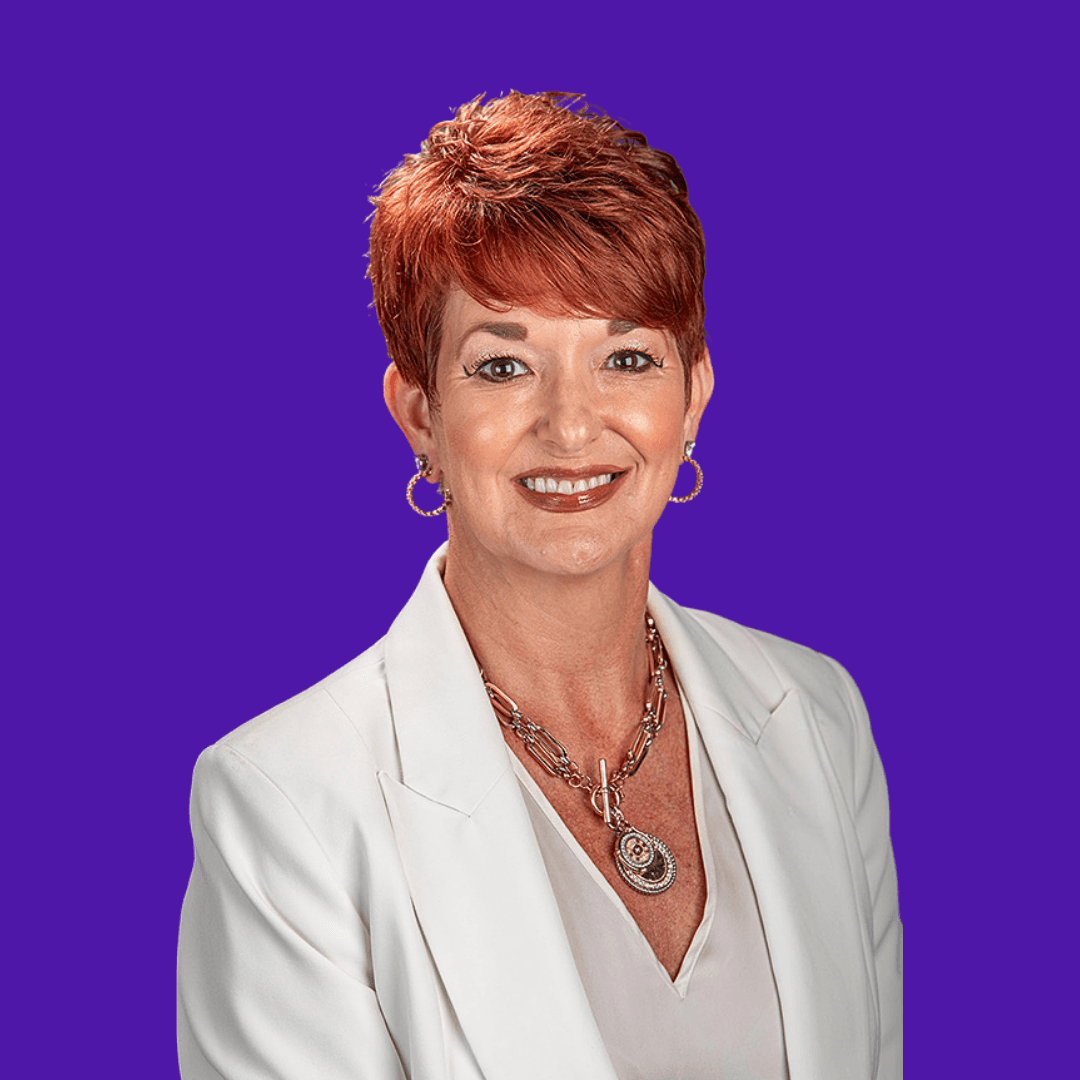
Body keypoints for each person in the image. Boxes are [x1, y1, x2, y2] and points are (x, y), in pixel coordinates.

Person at [177, 91, 902, 1079]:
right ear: (420, 411)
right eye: (505, 364)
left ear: (691, 397)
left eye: (628, 357)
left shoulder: (820, 719)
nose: (571, 425)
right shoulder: (290, 806)